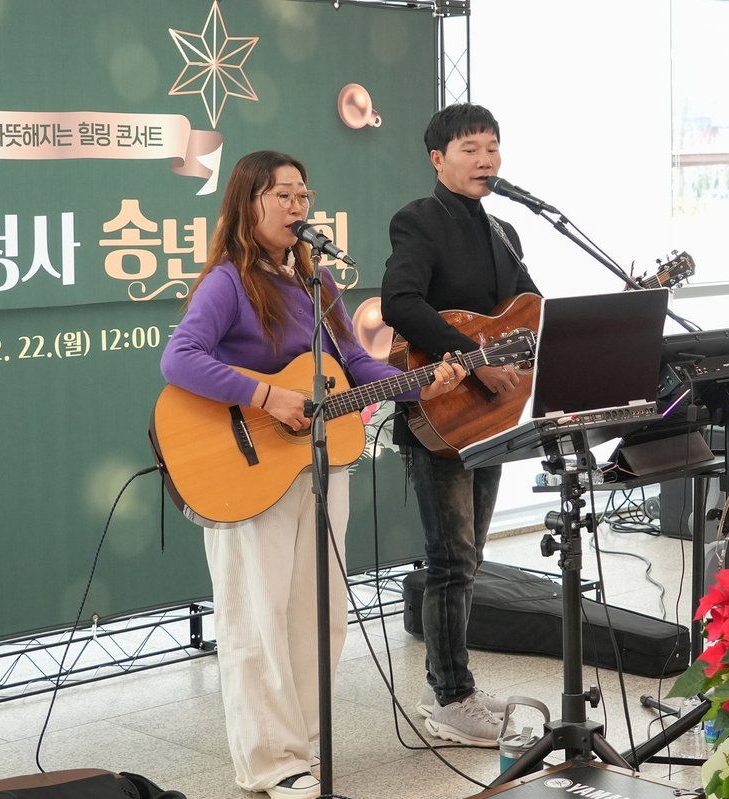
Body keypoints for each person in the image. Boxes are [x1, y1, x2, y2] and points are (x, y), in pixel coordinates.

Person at [160, 150, 465, 799]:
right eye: (283, 195)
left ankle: (302, 743)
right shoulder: (228, 282)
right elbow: (179, 358)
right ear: (249, 203)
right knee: (258, 617)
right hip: (247, 470)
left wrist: (422, 384)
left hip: (321, 465)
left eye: (303, 195)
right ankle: (270, 761)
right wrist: (266, 396)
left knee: (319, 613)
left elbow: (354, 363)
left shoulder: (316, 281)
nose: (298, 206)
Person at [381, 103, 542, 747]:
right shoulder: (418, 219)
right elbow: (400, 302)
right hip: (442, 408)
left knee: (469, 558)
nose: (485, 160)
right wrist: (477, 358)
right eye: (470, 149)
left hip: (489, 414)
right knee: (450, 559)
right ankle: (450, 696)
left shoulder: (505, 230)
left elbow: (527, 312)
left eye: (492, 148)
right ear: (437, 159)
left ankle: (449, 686)